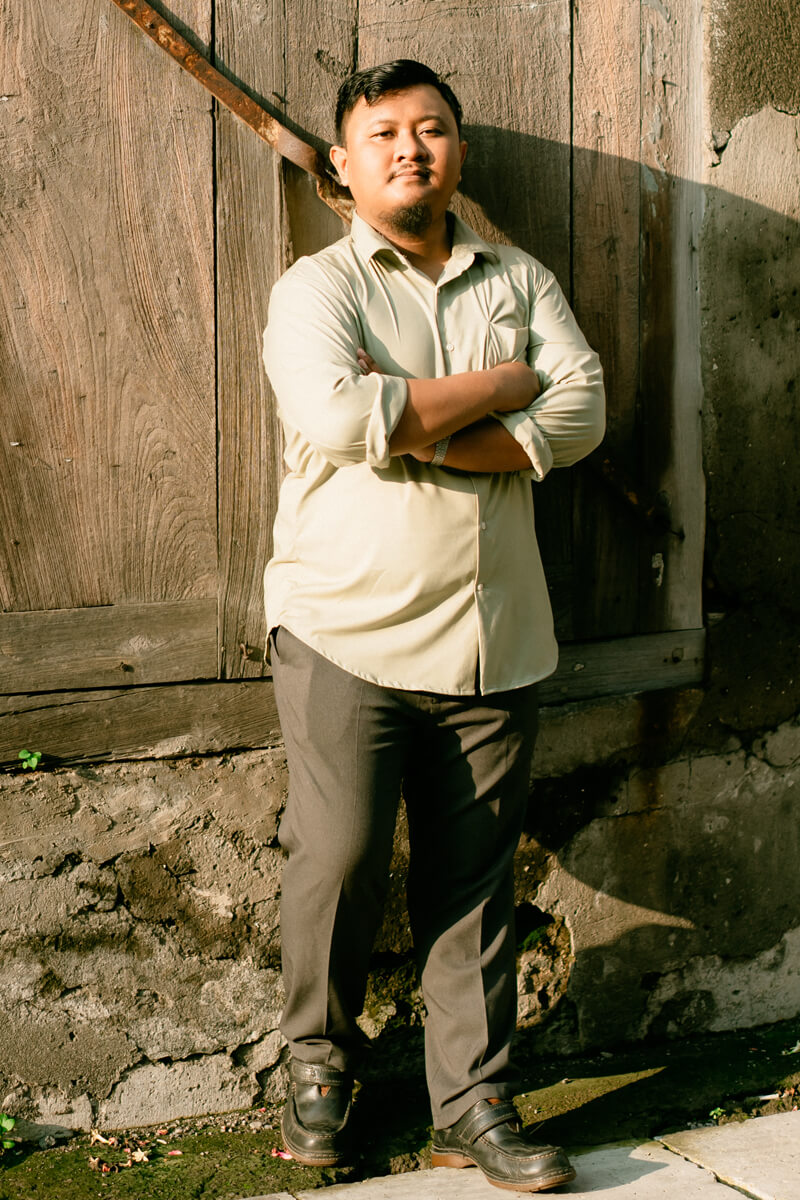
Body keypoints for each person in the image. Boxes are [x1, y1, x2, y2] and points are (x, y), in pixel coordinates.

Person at [262, 59, 604, 1193]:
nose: (411, 148)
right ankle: (319, 1065)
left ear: (458, 151)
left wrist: (424, 427)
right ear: (343, 164)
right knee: (339, 859)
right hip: (343, 628)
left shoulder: (519, 278)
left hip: (492, 637)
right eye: (385, 133)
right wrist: (503, 388)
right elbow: (336, 413)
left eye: (433, 129)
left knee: (472, 885)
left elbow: (583, 410)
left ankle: (475, 1102)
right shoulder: (316, 290)